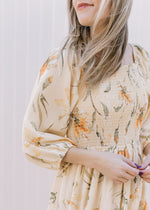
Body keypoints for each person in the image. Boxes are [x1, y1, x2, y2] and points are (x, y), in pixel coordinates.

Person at [22, 0, 150, 209]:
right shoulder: (65, 62)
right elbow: (33, 140)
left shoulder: (141, 60)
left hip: (132, 197)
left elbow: (143, 127)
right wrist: (98, 160)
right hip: (83, 196)